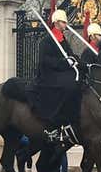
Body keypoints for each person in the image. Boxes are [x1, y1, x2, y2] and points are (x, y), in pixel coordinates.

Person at [29, 9, 81, 141]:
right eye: (64, 22)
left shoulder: (63, 39)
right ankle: (55, 122)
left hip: (61, 72)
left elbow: (70, 54)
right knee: (69, 85)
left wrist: (79, 61)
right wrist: (64, 62)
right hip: (48, 75)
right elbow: (45, 61)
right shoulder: (47, 40)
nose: (66, 25)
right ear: (56, 22)